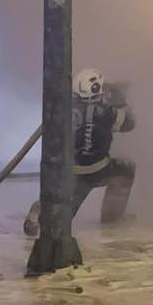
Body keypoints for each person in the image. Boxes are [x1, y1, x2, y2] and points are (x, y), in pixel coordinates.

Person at [23, 68, 136, 236]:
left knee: (63, 212)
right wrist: (121, 101)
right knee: (126, 170)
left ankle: (37, 214)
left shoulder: (65, 110)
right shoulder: (108, 113)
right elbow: (130, 123)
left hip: (71, 174)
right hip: (99, 169)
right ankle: (111, 217)